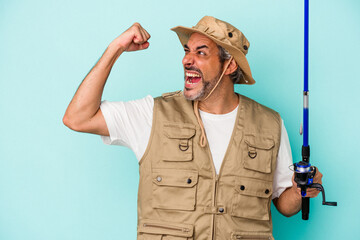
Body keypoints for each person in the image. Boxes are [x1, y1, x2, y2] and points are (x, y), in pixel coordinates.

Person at [63, 16, 322, 240]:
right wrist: (115, 48)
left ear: (229, 65)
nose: (187, 60)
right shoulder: (152, 114)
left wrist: (301, 191)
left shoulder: (269, 123)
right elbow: (77, 118)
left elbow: (285, 205)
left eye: (201, 52)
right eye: (187, 51)